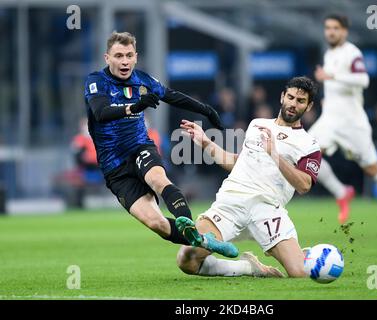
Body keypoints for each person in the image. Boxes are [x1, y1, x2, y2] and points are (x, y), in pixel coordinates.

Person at [84, 31, 237, 258]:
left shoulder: (143, 80)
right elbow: (101, 112)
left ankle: (188, 220)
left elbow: (173, 96)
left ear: (136, 57)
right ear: (107, 58)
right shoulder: (96, 81)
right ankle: (205, 240)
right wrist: (133, 107)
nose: (124, 61)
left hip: (139, 148)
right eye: (118, 56)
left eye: (128, 55)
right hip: (114, 167)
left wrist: (207, 110)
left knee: (157, 179)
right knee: (157, 224)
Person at [175, 77, 321, 278]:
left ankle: (313, 254)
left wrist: (275, 155)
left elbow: (304, 185)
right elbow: (238, 163)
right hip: (230, 204)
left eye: (300, 101)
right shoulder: (257, 124)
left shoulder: (308, 144)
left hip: (267, 209)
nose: (293, 104)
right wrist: (206, 143)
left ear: (309, 105)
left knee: (300, 272)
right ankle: (248, 268)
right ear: (282, 97)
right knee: (186, 259)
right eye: (291, 97)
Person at [310, 14, 377, 239]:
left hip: (353, 123)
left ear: (344, 31)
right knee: (306, 155)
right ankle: (341, 192)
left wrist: (332, 76)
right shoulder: (329, 53)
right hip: (330, 119)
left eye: (335, 28)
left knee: (372, 169)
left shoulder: (352, 53)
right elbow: (335, 87)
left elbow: (363, 80)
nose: (330, 32)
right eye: (328, 28)